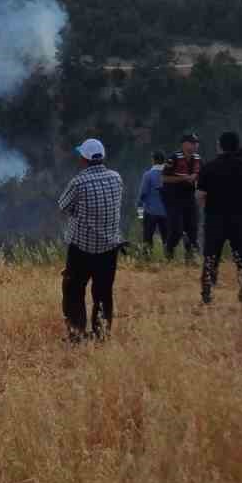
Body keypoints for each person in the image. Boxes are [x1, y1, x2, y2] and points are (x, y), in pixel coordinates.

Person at [57, 138, 124, 342]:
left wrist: (80, 211)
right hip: (109, 247)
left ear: (84, 159)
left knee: (73, 290)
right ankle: (101, 333)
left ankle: (77, 334)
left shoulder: (79, 182)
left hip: (82, 248)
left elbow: (63, 205)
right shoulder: (116, 177)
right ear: (102, 157)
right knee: (103, 292)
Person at [196, 131, 242, 305]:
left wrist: (207, 210)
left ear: (219, 146)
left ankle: (208, 290)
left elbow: (201, 195)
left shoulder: (208, 167)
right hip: (240, 218)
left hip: (214, 218)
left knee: (211, 256)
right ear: (237, 146)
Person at [162, 132, 201, 261]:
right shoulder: (173, 158)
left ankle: (190, 259)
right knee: (177, 230)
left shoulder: (198, 159)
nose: (195, 145)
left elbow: (202, 175)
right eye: (192, 143)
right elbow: (164, 177)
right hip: (174, 199)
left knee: (192, 229)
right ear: (184, 144)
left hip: (190, 198)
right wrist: (182, 178)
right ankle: (169, 253)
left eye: (196, 143)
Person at [137, 150, 168, 250]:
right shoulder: (169, 176)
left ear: (153, 160)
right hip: (166, 213)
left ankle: (147, 260)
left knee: (147, 239)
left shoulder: (148, 175)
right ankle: (169, 260)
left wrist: (140, 215)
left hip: (150, 212)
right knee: (166, 240)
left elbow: (142, 195)